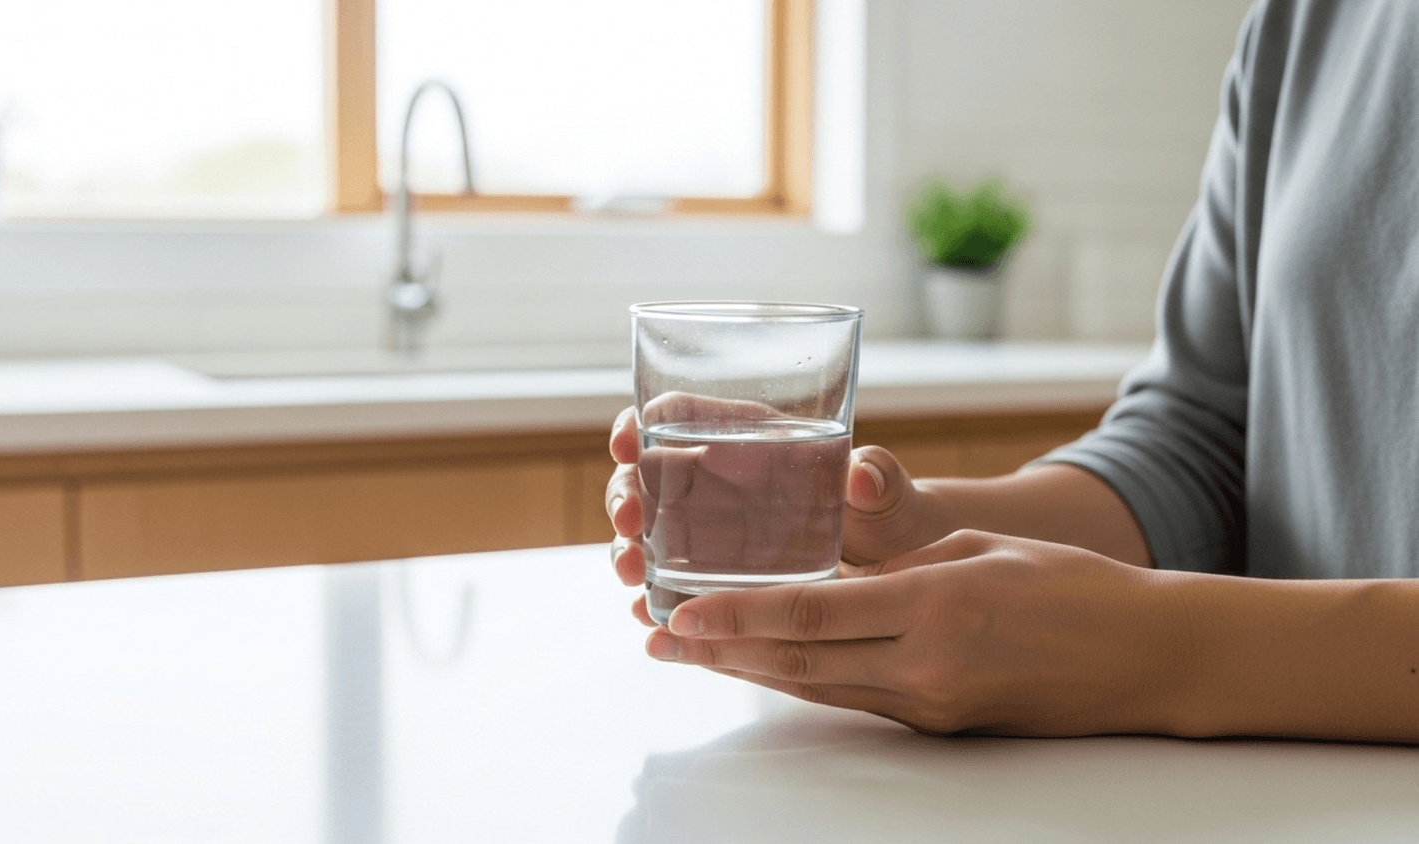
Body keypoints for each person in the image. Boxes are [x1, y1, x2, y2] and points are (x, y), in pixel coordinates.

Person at [603, 0, 1419, 743]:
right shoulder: (1308, 20)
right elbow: (1201, 443)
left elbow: (1162, 627)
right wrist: (905, 533)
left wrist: (1159, 649)